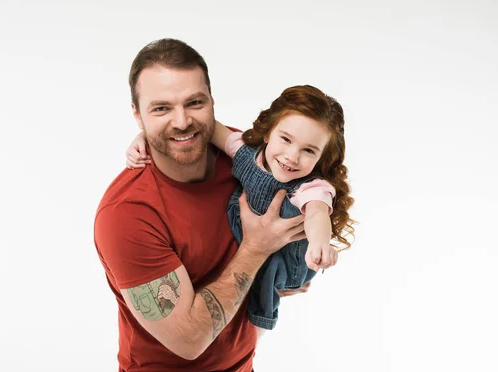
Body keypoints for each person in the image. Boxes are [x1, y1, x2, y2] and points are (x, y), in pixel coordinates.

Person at [94, 38, 310, 372]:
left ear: (211, 100)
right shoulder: (127, 213)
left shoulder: (248, 163)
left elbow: (309, 179)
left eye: (194, 102)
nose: (182, 121)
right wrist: (259, 249)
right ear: (137, 114)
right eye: (161, 108)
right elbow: (189, 340)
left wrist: (293, 263)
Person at [127, 85, 355, 333]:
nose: (291, 156)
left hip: (287, 260)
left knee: (252, 304)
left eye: (308, 151)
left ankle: (260, 315)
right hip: (246, 236)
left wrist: (319, 244)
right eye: (286, 139)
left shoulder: (311, 186)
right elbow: (206, 128)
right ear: (268, 133)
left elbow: (317, 213)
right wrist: (147, 137)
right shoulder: (245, 152)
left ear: (321, 158)